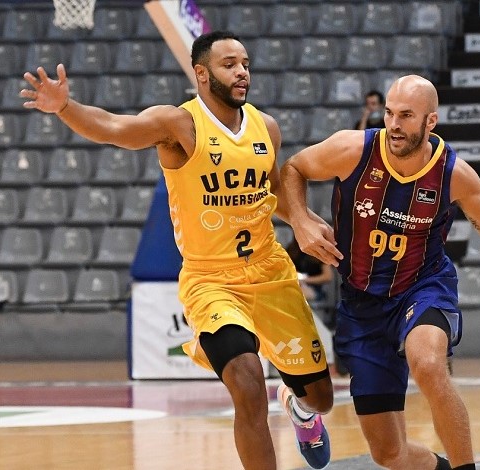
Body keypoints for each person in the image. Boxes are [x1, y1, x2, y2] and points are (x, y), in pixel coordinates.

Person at [20, 31, 334, 470]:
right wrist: (65, 107)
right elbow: (113, 128)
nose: (242, 72)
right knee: (246, 383)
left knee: (321, 398)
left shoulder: (267, 128)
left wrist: (302, 218)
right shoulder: (177, 124)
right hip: (212, 281)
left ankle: (299, 408)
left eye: (245, 64)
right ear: (202, 73)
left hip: (269, 273)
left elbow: (274, 191)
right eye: (230, 64)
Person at [280, 75, 480, 470]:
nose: (394, 124)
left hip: (423, 286)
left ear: (431, 121)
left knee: (428, 364)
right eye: (389, 113)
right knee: (388, 453)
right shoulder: (352, 149)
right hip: (362, 303)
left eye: (406, 116)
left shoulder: (454, 173)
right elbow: (293, 168)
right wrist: (299, 220)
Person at [286, 238, 333, 302]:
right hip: (295, 283)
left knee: (297, 293)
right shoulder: (292, 249)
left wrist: (305, 280)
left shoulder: (321, 250)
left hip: (315, 287)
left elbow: (327, 276)